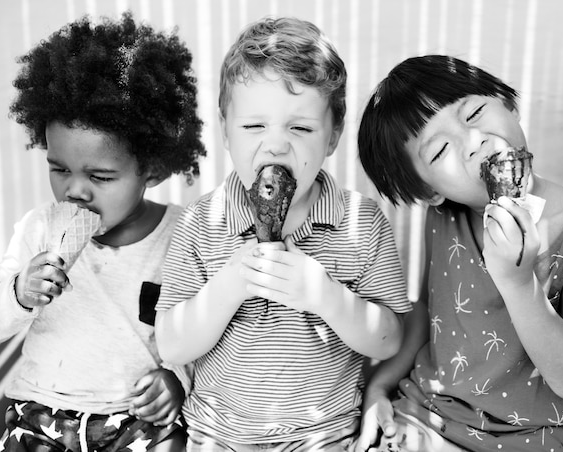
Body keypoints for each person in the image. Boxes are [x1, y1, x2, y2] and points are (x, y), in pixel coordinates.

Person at [154, 16, 411, 451]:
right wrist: (233, 283)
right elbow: (172, 344)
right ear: (225, 129)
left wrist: (326, 295)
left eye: (302, 128)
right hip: (218, 438)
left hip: (325, 438)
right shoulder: (201, 222)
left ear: (333, 136)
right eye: (254, 126)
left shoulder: (360, 223)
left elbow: (388, 340)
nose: (275, 145)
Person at [354, 54, 563, 452]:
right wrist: (380, 388)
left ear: (509, 105)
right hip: (427, 415)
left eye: (474, 112)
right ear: (430, 192)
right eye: (439, 152)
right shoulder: (443, 218)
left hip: (533, 437)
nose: (474, 142)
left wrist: (519, 283)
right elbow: (427, 313)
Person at [0, 12, 205, 452]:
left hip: (136, 420)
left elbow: (204, 331)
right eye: (59, 169)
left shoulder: (185, 235)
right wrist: (19, 292)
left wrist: (178, 379)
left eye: (101, 176)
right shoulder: (38, 228)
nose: (75, 190)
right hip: (40, 411)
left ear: (154, 169)